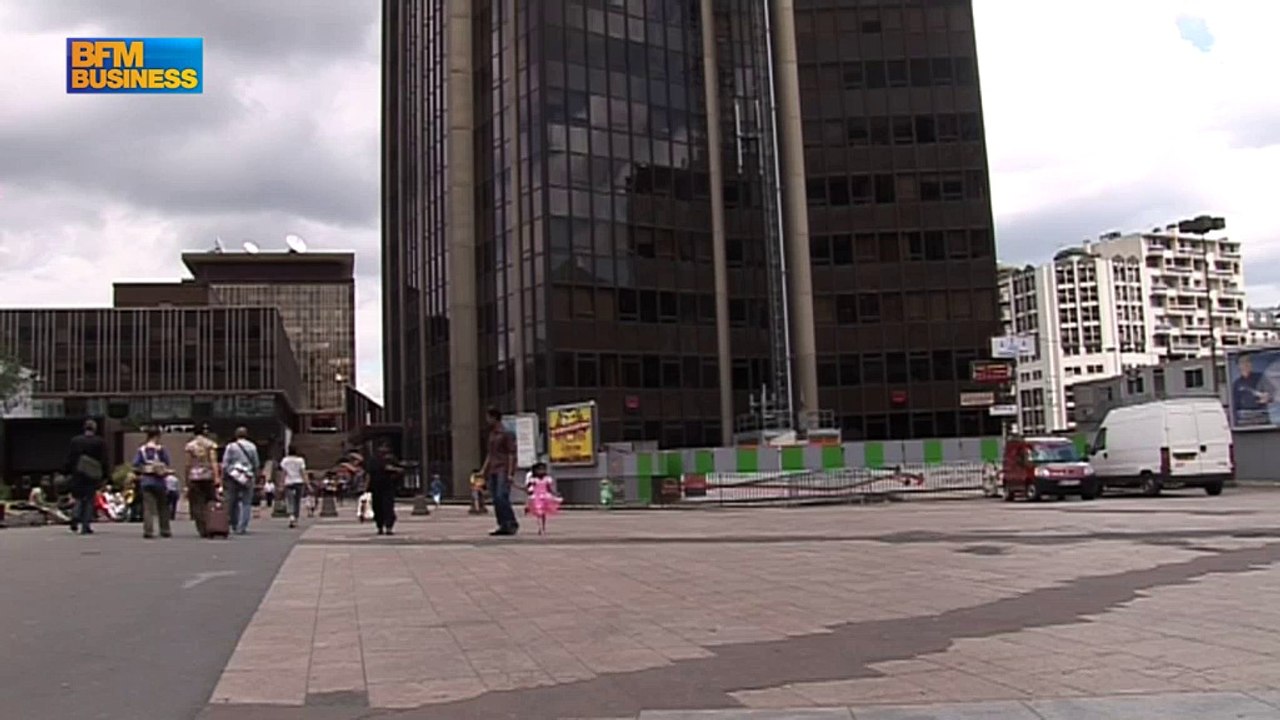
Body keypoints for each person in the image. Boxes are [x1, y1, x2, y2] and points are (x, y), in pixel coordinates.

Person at [480, 407, 519, 536]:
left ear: (494, 418)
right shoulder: (492, 434)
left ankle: (511, 522)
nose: (487, 420)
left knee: (501, 496)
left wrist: (510, 473)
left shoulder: (506, 433)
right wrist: (483, 471)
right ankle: (503, 524)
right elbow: (490, 455)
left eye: (488, 417)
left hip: (503, 468)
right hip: (493, 469)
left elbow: (512, 454)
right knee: (496, 499)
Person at [64, 418, 107, 535]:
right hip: (92, 474)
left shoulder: (75, 441)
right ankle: (85, 525)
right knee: (89, 499)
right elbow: (104, 460)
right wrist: (104, 475)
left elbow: (70, 457)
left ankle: (75, 516)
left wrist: (68, 471)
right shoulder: (100, 442)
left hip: (78, 472)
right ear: (95, 429)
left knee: (78, 497)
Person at [132, 428, 174, 539]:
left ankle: (148, 530)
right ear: (157, 436)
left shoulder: (141, 450)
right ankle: (165, 529)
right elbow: (167, 462)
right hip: (159, 481)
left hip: (146, 480)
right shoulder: (161, 449)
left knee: (148, 507)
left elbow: (135, 465)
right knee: (163, 506)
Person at [221, 426, 260, 536]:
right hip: (247, 476)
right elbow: (256, 463)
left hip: (233, 475)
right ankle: (242, 527)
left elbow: (225, 463)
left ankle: (233, 523)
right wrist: (256, 476)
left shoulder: (231, 446)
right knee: (246, 502)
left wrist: (223, 475)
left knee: (232, 501)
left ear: (236, 435)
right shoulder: (252, 446)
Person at [184, 424, 222, 538]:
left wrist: (186, 479)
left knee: (197, 504)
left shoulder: (190, 446)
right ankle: (212, 525)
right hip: (208, 476)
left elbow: (187, 464)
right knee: (209, 502)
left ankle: (202, 528)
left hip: (194, 477)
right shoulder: (210, 444)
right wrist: (217, 477)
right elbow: (214, 462)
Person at [364, 441, 403, 535]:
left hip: (386, 487)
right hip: (379, 487)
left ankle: (386, 526)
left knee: (386, 507)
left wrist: (393, 470)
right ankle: (381, 526)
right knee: (380, 507)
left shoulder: (390, 459)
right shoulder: (374, 460)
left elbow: (400, 470)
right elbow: (369, 474)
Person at [1232, 353, 1276, 427]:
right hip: (1244, 420)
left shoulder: (1260, 378)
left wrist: (1267, 397)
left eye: (1248, 361)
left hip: (1262, 417)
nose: (1246, 364)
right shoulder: (1236, 384)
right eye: (1243, 362)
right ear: (1238, 365)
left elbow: (1273, 393)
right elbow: (1234, 405)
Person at [523, 462, 562, 536]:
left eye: (543, 469)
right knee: (539, 513)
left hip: (545, 497)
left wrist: (555, 493)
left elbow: (549, 489)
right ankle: (540, 528)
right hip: (536, 498)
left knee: (543, 514)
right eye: (539, 469)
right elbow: (527, 488)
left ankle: (543, 527)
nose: (542, 471)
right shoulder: (533, 480)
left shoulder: (547, 479)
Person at [279, 446, 307, 528]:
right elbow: (302, 472)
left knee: (290, 500)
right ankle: (296, 518)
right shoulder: (300, 460)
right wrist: (307, 483)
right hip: (298, 482)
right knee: (297, 501)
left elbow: (283, 473)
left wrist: (281, 484)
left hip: (289, 482)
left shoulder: (285, 460)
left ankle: (291, 516)